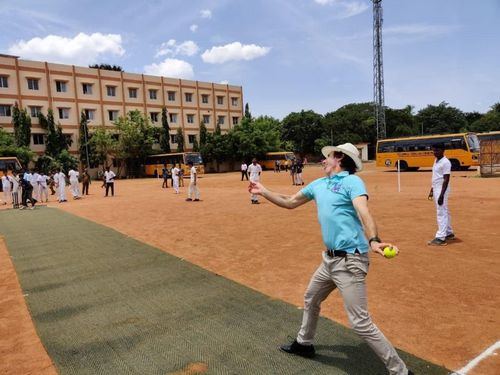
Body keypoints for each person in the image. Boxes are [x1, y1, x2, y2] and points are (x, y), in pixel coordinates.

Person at [248, 143, 413, 375]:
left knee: (360, 322)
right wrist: (263, 191)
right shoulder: (319, 185)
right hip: (329, 261)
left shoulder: (352, 182)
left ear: (339, 158)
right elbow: (290, 201)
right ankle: (304, 344)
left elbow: (363, 211)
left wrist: (374, 240)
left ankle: (400, 371)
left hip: (350, 261)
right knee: (311, 298)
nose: (323, 160)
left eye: (327, 157)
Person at [427, 143, 455, 246]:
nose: (435, 152)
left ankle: (441, 237)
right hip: (436, 188)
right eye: (433, 150)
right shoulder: (436, 160)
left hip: (442, 189)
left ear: (443, 150)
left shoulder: (445, 162)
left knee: (441, 211)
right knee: (445, 210)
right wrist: (432, 189)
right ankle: (448, 232)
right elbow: (436, 177)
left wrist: (441, 195)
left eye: (437, 150)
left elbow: (446, 179)